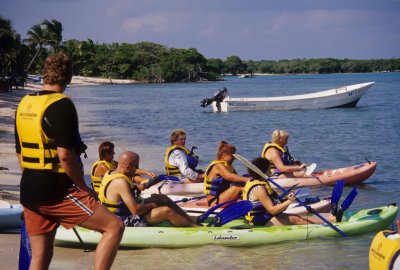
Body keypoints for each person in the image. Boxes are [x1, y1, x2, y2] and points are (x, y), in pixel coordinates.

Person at [15, 53, 124, 270]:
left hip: (28, 188)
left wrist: (35, 180)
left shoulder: (25, 103)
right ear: (69, 77)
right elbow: (65, 155)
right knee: (114, 227)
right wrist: (84, 189)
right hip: (56, 190)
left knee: (40, 257)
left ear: (45, 73)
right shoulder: (62, 105)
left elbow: (20, 153)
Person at [99, 151, 199, 227]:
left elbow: (120, 193)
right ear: (128, 166)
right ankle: (195, 229)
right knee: (166, 211)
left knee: (161, 198)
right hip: (122, 221)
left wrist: (140, 186)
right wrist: (152, 205)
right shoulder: (120, 182)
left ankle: (189, 219)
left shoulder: (111, 172)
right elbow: (135, 210)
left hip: (124, 212)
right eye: (136, 167)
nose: (136, 170)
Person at [243, 157, 336, 226]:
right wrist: (289, 201)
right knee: (295, 219)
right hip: (260, 220)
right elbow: (272, 210)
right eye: (268, 170)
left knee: (295, 216)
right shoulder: (259, 188)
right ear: (262, 171)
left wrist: (286, 199)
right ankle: (331, 221)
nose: (271, 173)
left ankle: (327, 219)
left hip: (261, 216)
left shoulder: (251, 181)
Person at [91, 141, 155, 193]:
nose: (114, 153)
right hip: (102, 192)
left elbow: (130, 168)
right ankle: (144, 183)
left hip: (114, 185)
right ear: (107, 154)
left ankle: (145, 181)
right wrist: (136, 186)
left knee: (130, 171)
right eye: (112, 152)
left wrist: (147, 173)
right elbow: (118, 178)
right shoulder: (102, 166)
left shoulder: (112, 162)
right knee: (129, 175)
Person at [204, 141, 251, 206]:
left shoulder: (229, 166)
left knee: (241, 184)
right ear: (224, 155)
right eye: (233, 155)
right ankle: (252, 203)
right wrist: (247, 180)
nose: (234, 158)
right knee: (238, 188)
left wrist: (253, 180)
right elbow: (229, 176)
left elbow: (238, 179)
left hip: (223, 197)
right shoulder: (218, 165)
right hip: (214, 200)